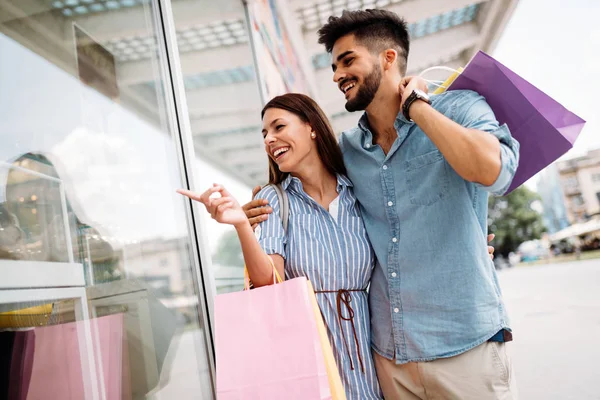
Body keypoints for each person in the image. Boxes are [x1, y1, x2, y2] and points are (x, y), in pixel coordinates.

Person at [244, 9, 520, 399]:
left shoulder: (459, 108)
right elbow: (300, 185)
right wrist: (247, 219)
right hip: (388, 360)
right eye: (334, 65)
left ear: (388, 58)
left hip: (465, 348)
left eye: (348, 60)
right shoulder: (348, 152)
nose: (337, 75)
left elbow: (495, 171)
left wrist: (418, 109)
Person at [179, 93, 384, 399]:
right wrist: (240, 225)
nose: (269, 140)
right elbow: (267, 281)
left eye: (278, 127)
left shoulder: (358, 191)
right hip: (307, 353)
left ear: (311, 126)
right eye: (264, 134)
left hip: (367, 354)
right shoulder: (276, 199)